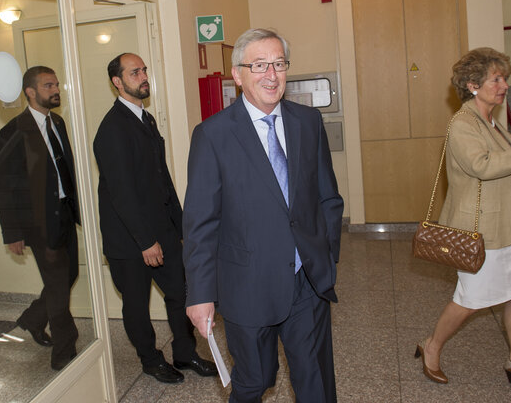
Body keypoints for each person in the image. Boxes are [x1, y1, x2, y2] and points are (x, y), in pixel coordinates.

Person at [184, 29, 344, 402]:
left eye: (278, 64)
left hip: (307, 281)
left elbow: (328, 197)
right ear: (237, 75)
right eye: (259, 65)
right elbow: (201, 223)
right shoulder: (213, 135)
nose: (271, 75)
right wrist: (201, 294)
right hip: (247, 285)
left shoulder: (308, 122)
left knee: (316, 381)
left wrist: (327, 256)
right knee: (255, 381)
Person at [416, 48, 511, 391]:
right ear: (472, 85)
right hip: (482, 230)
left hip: (510, 225)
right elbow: (481, 166)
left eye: (504, 78)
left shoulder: (491, 121)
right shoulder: (462, 123)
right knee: (469, 301)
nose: (504, 85)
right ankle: (431, 346)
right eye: (496, 79)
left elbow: (501, 161)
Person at [93, 53, 216, 384]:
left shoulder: (144, 119)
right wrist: (145, 241)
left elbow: (162, 179)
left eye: (144, 70)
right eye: (135, 72)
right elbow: (122, 194)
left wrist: (182, 226)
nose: (143, 76)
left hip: (161, 229)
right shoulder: (113, 128)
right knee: (136, 305)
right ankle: (150, 359)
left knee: (181, 292)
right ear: (117, 82)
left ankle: (186, 353)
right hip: (130, 240)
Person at [0, 66, 80, 371]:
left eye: (56, 84)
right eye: (48, 85)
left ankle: (32, 319)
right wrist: (12, 232)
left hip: (65, 214)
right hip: (39, 222)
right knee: (58, 283)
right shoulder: (14, 131)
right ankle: (64, 348)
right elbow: (4, 186)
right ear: (30, 92)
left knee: (68, 276)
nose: (55, 89)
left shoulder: (57, 121)